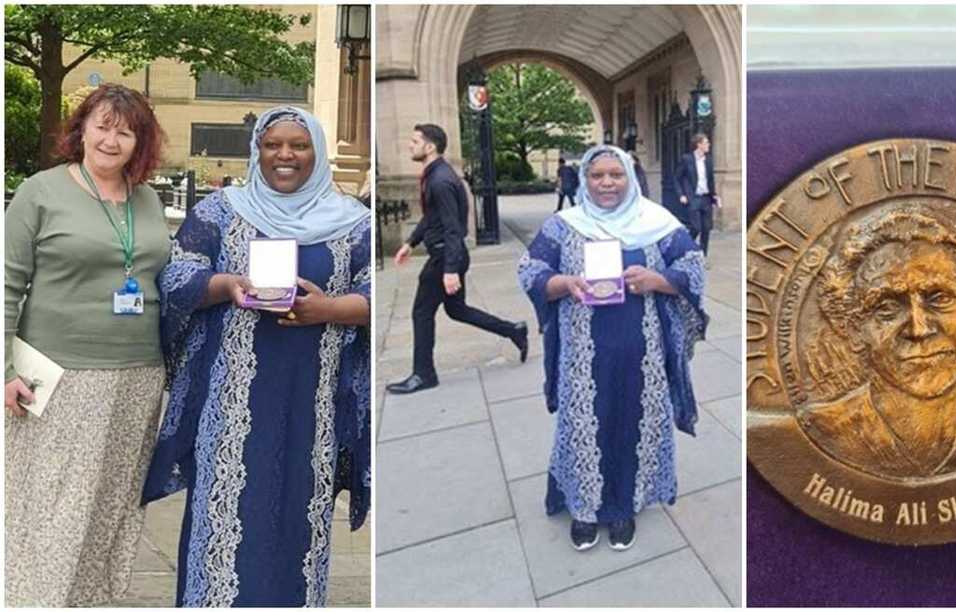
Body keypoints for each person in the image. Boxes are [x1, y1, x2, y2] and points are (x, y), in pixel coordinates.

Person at [141, 106, 371, 606]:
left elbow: (373, 292)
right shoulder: (222, 211)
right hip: (230, 407)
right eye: (272, 145)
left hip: (312, 405)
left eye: (298, 145)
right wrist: (226, 285)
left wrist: (327, 308)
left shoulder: (354, 223)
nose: (284, 155)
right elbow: (177, 277)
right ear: (256, 151)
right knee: (223, 523)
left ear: (317, 152)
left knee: (296, 523)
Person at [4, 84, 170, 606]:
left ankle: (91, 600)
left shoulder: (147, 199)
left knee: (111, 507)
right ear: (81, 130)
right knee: (52, 505)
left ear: (139, 142)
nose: (111, 139)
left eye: (125, 131)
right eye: (102, 125)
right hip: (59, 373)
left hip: (138, 376)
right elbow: (7, 283)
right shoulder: (41, 191)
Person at [517, 144, 707, 551]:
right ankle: (583, 509)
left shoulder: (656, 221)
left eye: (615, 175)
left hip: (642, 351)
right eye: (597, 175)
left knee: (631, 419)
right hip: (582, 353)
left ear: (630, 178)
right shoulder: (564, 225)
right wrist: (564, 284)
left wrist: (656, 280)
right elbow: (530, 270)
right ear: (584, 179)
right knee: (583, 421)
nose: (607, 183)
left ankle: (623, 506)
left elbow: (692, 266)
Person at [801, 208, 956, 478]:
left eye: (940, 299)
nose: (919, 329)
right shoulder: (816, 430)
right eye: (887, 308)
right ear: (854, 330)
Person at [386, 123, 528, 394]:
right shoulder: (436, 174)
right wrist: (410, 242)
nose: (410, 145)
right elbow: (432, 216)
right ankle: (513, 330)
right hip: (446, 253)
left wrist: (449, 270)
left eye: (415, 141)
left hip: (444, 256)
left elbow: (453, 227)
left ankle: (424, 374)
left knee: (421, 312)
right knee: (456, 309)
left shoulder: (440, 180)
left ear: (430, 147)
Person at [673, 133, 720, 259]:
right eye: (706, 142)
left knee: (706, 229)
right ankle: (684, 247)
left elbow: (710, 180)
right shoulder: (687, 159)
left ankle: (702, 256)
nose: (708, 145)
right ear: (698, 145)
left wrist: (715, 196)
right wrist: (681, 195)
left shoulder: (708, 160)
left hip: (706, 198)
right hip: (693, 197)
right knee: (696, 227)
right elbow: (677, 178)